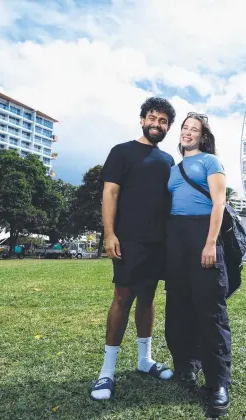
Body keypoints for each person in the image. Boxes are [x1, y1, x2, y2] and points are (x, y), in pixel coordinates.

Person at [90, 97, 176, 401]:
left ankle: (144, 360)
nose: (157, 124)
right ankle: (106, 371)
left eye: (163, 121)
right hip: (128, 239)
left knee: (148, 297)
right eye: (152, 118)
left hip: (158, 242)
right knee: (123, 297)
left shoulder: (167, 161)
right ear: (142, 120)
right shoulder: (121, 152)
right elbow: (110, 194)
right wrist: (110, 234)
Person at [165, 112, 232, 417]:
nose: (188, 132)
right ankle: (185, 368)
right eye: (185, 128)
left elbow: (219, 202)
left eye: (194, 129)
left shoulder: (210, 162)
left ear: (203, 136)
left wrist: (209, 242)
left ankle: (218, 383)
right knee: (178, 308)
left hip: (203, 234)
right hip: (176, 239)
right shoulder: (174, 168)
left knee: (210, 311)